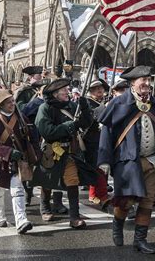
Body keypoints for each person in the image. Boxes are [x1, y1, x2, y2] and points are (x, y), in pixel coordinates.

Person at [97, 66, 155, 253]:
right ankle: (117, 224)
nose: (147, 84)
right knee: (126, 200)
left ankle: (140, 240)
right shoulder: (119, 104)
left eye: (149, 81)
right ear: (133, 83)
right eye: (143, 81)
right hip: (127, 161)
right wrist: (104, 160)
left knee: (147, 201)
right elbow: (107, 134)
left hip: (153, 161)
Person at [34, 78, 97, 229]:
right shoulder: (45, 108)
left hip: (69, 151)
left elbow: (85, 123)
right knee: (47, 181)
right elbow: (47, 132)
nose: (67, 92)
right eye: (64, 90)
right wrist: (70, 125)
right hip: (51, 151)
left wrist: (85, 108)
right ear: (55, 94)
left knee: (72, 181)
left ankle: (74, 217)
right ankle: (45, 208)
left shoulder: (72, 106)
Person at [0, 89, 40, 233]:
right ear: (1, 104)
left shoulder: (21, 118)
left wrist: (35, 154)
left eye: (12, 101)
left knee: (18, 190)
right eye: (8, 102)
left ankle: (21, 220)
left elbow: (31, 136)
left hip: (18, 161)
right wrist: (8, 152)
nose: (12, 104)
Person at [85, 79, 109, 206]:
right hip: (93, 139)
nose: (99, 91)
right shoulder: (88, 103)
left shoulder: (104, 102)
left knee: (104, 168)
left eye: (101, 88)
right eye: (96, 89)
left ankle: (100, 192)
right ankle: (97, 194)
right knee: (97, 168)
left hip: (104, 139)